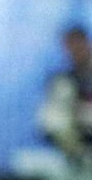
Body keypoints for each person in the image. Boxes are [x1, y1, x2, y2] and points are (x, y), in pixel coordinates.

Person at [37, 23, 92, 170]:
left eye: (78, 44)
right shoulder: (63, 80)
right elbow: (50, 121)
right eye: (70, 46)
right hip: (79, 144)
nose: (75, 51)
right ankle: (79, 157)